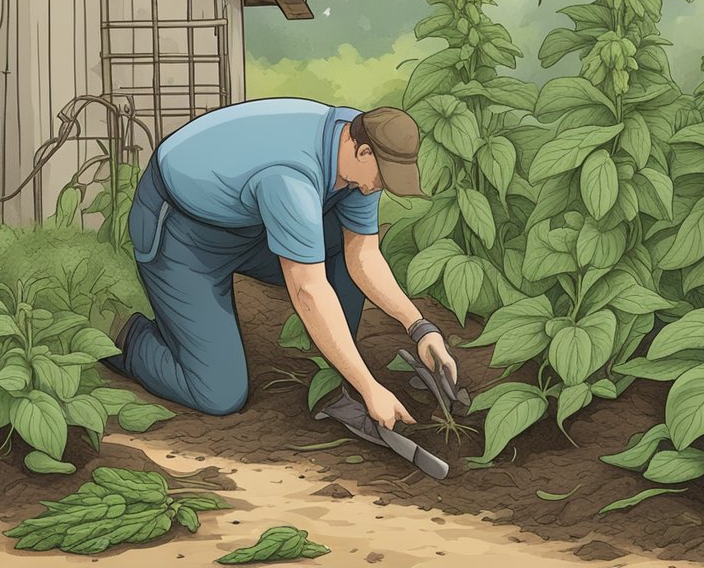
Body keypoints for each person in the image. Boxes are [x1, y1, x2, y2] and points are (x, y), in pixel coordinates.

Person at [103, 98, 456, 432]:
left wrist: (420, 328)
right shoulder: (292, 177)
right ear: (363, 152)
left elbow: (362, 256)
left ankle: (338, 372)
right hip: (185, 234)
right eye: (382, 178)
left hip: (250, 221)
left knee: (339, 254)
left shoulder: (356, 150)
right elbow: (308, 290)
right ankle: (122, 336)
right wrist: (370, 387)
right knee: (218, 393)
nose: (380, 188)